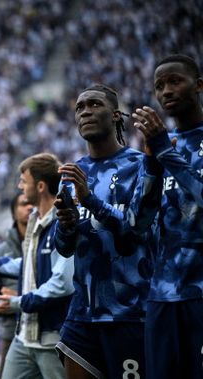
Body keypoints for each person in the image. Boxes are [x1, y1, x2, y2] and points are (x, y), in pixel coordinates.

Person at [53, 84, 162, 378]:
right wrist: (66, 226)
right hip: (81, 314)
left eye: (94, 104)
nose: (85, 112)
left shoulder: (141, 166)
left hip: (130, 312)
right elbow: (63, 247)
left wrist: (90, 200)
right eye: (80, 107)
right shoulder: (73, 173)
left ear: (115, 115)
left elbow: (135, 233)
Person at [132, 54, 203, 378]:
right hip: (162, 294)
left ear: (198, 85)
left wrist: (164, 150)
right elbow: (139, 224)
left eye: (175, 81)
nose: (166, 91)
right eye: (159, 86)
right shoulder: (160, 146)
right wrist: (151, 165)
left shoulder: (164, 145)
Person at [0, 153, 74, 379]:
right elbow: (31, 264)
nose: (20, 186)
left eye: (23, 181)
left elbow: (62, 283)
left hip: (52, 338)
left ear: (40, 186)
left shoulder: (63, 223)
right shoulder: (35, 219)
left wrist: (18, 302)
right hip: (24, 336)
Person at [0, 193, 33, 378]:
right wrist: (5, 301)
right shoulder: (1, 252)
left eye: (32, 203)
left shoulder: (49, 243)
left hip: (45, 334)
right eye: (24, 204)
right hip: (11, 334)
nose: (30, 207)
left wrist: (18, 298)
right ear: (14, 212)